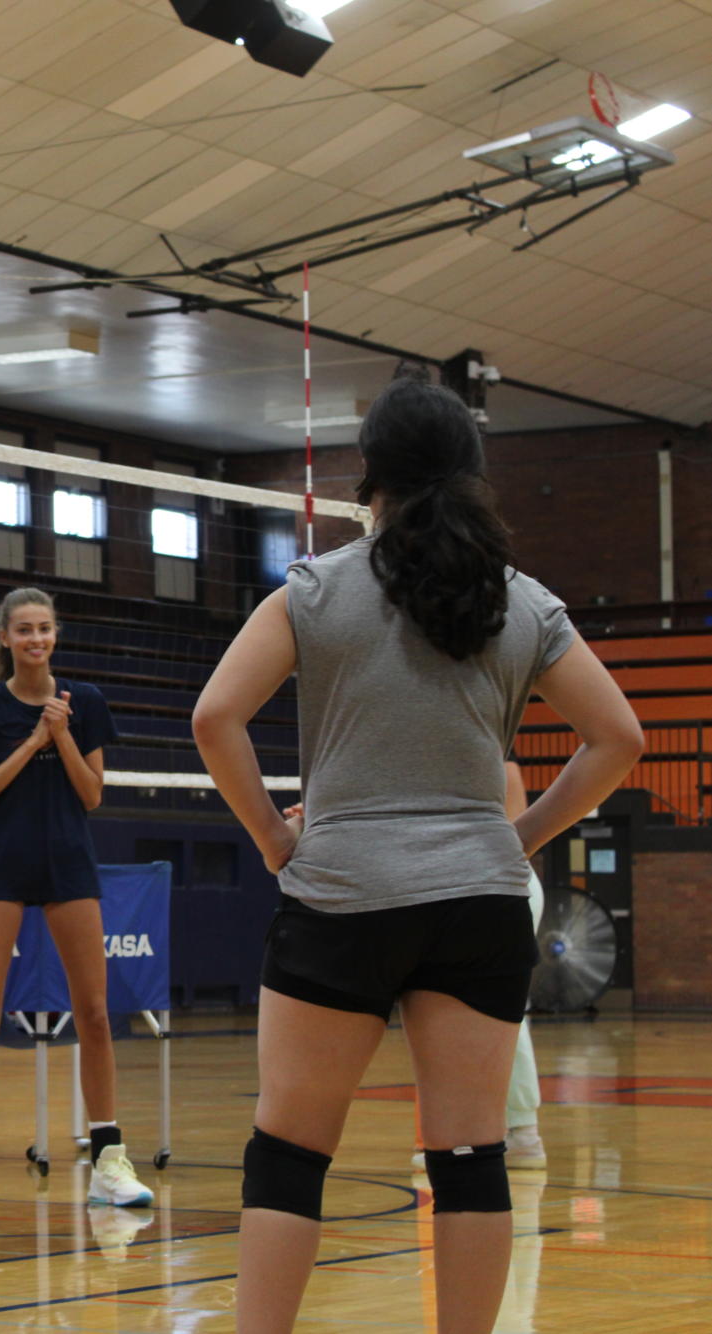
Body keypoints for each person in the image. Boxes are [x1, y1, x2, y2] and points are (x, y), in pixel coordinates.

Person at [191, 366, 641, 1334]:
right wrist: (515, 839)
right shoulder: (523, 602)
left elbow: (215, 715)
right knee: (471, 1155)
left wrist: (274, 838)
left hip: (342, 892)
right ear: (474, 473)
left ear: (371, 478)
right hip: (477, 901)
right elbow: (621, 739)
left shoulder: (317, 590)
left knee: (289, 1151)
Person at [0, 587, 153, 1211]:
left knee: (97, 1013)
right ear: (5, 638)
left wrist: (63, 735)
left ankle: (109, 1161)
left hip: (68, 866)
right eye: (23, 629)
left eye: (45, 628)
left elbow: (92, 794)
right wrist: (31, 742)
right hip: (2, 867)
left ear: (56, 635)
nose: (35, 638)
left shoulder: (85, 703)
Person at [411, 759, 549, 1173]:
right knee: (487, 1011)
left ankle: (515, 1131)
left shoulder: (496, 761)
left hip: (500, 886)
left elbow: (513, 835)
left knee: (498, 1011)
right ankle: (504, 1131)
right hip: (484, 886)